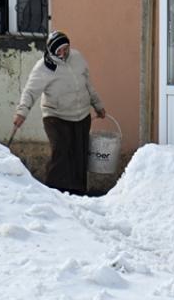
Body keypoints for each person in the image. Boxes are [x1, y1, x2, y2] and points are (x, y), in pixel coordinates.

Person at [13, 30, 105, 195]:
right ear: (51, 51)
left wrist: (98, 105)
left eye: (65, 49)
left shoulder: (77, 58)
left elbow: (87, 83)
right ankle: (54, 192)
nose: (63, 54)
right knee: (61, 152)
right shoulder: (44, 67)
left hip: (81, 114)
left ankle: (78, 192)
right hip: (56, 116)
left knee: (80, 154)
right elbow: (30, 91)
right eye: (59, 51)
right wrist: (22, 113)